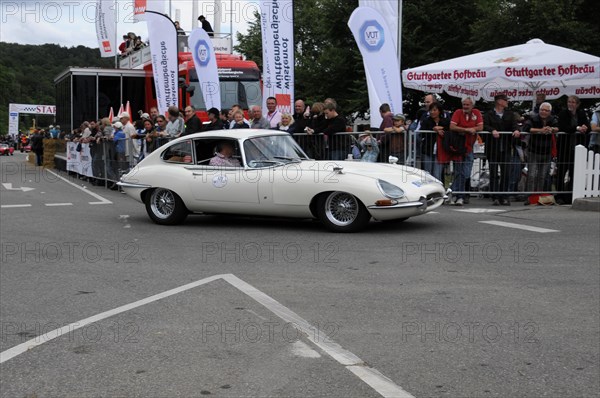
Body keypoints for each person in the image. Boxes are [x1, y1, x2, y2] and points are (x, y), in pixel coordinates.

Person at [483, 94, 521, 206]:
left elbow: (515, 125)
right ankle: (495, 196)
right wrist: (492, 130)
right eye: (505, 100)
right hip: (493, 147)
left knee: (506, 173)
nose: (507, 102)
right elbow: (485, 125)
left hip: (506, 147)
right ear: (499, 101)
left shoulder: (510, 114)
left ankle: (504, 196)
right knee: (493, 173)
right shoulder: (489, 114)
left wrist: (516, 130)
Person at [448, 96, 483, 205]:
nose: (465, 107)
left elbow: (480, 127)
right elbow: (452, 126)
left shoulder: (476, 113)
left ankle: (451, 192)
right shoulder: (458, 112)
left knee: (466, 173)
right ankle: (459, 196)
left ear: (472, 105)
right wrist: (466, 130)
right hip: (458, 147)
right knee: (458, 172)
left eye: (467, 105)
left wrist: (474, 129)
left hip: (469, 147)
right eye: (464, 104)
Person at [556, 95, 591, 204]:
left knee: (574, 172)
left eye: (573, 102)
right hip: (565, 147)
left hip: (577, 147)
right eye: (569, 102)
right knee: (561, 172)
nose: (570, 104)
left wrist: (585, 127)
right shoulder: (563, 114)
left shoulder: (581, 113)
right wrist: (576, 128)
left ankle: (570, 195)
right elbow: (563, 127)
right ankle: (559, 195)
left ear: (577, 104)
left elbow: (588, 126)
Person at [522, 102, 559, 201]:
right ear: (539, 110)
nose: (544, 112)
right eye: (542, 110)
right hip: (533, 151)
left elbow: (557, 128)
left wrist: (550, 129)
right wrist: (541, 130)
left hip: (546, 152)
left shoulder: (552, 119)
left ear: (549, 112)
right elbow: (526, 128)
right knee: (532, 175)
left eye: (546, 110)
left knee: (543, 176)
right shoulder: (533, 118)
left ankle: (539, 196)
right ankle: (529, 197)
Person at [420, 102, 450, 182]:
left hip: (440, 151)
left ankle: (438, 192)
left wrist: (441, 129)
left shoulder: (446, 121)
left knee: (437, 174)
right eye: (431, 110)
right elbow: (422, 133)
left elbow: (449, 131)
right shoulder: (426, 121)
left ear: (439, 111)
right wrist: (433, 129)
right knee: (427, 174)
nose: (432, 112)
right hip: (427, 150)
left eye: (434, 110)